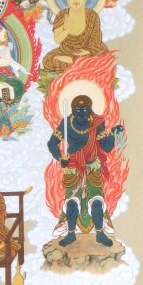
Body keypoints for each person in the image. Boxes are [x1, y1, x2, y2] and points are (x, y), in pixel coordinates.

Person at [47, 95, 123, 247]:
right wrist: (61, 158)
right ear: (72, 110)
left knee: (96, 202)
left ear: (90, 110)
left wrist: (113, 133)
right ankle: (71, 234)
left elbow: (106, 147)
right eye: (77, 110)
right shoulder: (66, 124)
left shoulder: (96, 123)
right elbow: (52, 144)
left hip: (92, 167)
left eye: (84, 109)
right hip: (73, 168)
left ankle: (100, 233)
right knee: (71, 204)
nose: (81, 113)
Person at [42, 0, 108, 73]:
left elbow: (96, 41)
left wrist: (87, 52)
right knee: (47, 61)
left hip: (86, 51)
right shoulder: (62, 15)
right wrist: (67, 29)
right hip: (66, 51)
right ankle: (79, 63)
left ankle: (73, 61)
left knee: (102, 56)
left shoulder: (92, 15)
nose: (76, 0)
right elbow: (57, 39)